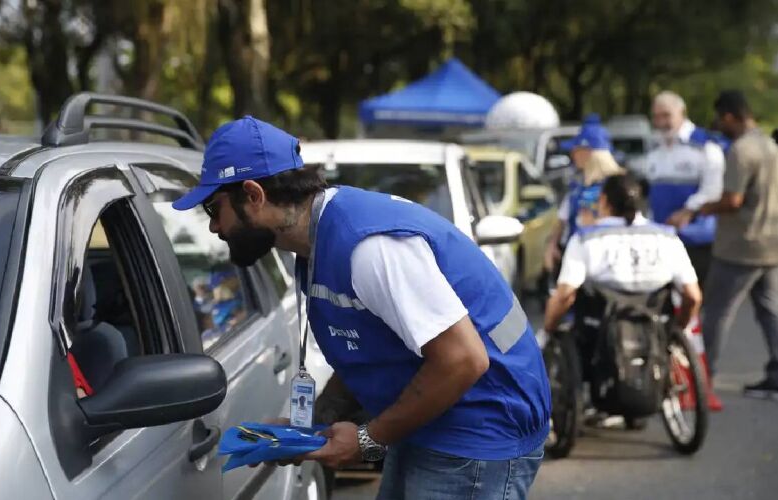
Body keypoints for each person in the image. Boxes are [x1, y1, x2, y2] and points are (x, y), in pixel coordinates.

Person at [172, 116, 551, 499]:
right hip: (436, 414)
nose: (213, 228)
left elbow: (464, 360)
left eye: (212, 208)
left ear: (253, 195)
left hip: (481, 426)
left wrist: (368, 441)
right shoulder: (316, 243)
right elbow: (374, 351)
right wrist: (312, 425)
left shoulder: (368, 247)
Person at [544, 174, 702, 334]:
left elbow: (565, 296)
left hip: (599, 336)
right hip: (656, 334)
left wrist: (549, 328)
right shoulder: (668, 238)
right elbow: (693, 297)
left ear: (604, 201)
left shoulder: (585, 239)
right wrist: (678, 329)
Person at [699, 90, 778, 400]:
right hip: (771, 245)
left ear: (730, 116)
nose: (718, 124)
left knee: (717, 313)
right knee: (770, 311)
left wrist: (704, 208)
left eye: (721, 118)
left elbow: (733, 200)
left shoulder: (741, 151)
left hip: (739, 248)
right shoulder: (770, 146)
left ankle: (703, 378)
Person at [644, 91, 725, 286]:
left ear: (682, 112)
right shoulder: (655, 149)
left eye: (666, 115)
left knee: (696, 299)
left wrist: (687, 211)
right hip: (663, 239)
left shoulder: (704, 146)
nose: (661, 122)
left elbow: (713, 189)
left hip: (695, 239)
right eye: (656, 116)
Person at [544, 114, 624, 273]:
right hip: (578, 260)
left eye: (576, 149)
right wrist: (552, 244)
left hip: (609, 264)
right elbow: (562, 219)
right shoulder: (577, 186)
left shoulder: (619, 186)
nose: (572, 154)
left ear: (589, 152)